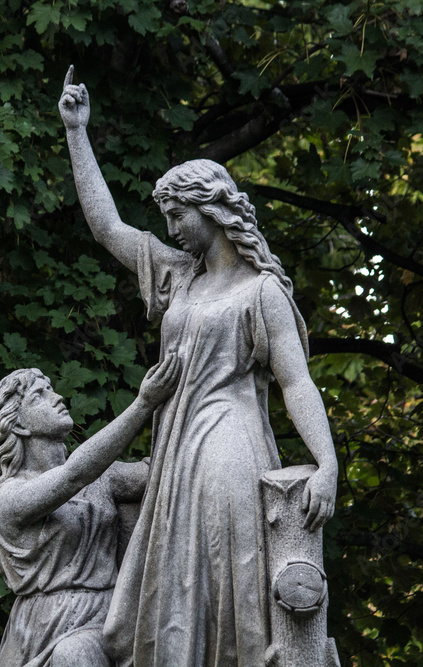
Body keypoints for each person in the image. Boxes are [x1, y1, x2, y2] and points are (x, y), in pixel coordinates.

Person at [57, 66, 339, 667]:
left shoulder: (261, 293)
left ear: (210, 210)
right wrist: (77, 132)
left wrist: (327, 464)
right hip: (176, 450)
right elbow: (107, 227)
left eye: (178, 218)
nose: (171, 231)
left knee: (224, 576)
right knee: (176, 590)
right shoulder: (180, 277)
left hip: (230, 446)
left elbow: (296, 381)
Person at [0, 358, 179, 667]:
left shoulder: (104, 477)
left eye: (52, 390)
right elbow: (74, 475)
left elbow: (169, 472)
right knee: (72, 654)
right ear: (18, 424)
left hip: (108, 617)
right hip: (42, 627)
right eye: (40, 395)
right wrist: (143, 404)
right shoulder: (6, 497)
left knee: (79, 653)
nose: (57, 398)